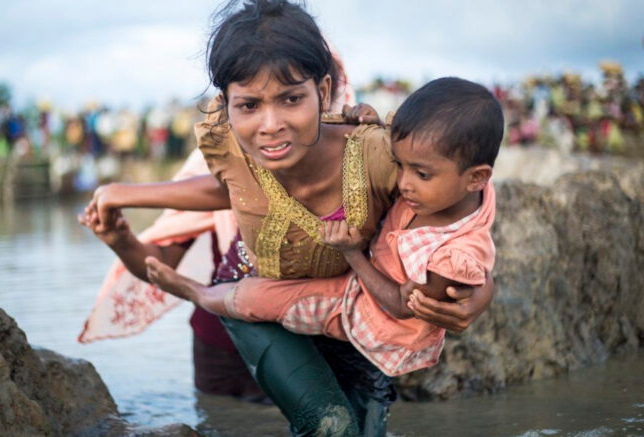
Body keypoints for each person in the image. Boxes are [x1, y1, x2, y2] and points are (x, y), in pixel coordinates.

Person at [80, 1, 495, 434]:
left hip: (347, 313)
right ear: (225, 106)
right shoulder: (233, 159)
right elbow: (185, 235)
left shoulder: (378, 155)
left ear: (325, 89)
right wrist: (119, 231)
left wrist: (477, 295)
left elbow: (461, 216)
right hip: (250, 308)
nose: (271, 124)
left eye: (292, 98)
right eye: (249, 105)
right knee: (329, 427)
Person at [144, 76, 502, 377]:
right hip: (365, 280)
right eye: (398, 164)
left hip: (370, 314)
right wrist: (370, 124)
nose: (403, 183)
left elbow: (398, 306)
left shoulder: (453, 255)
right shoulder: (447, 188)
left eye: (419, 173)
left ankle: (197, 293)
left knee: (257, 297)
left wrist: (351, 254)